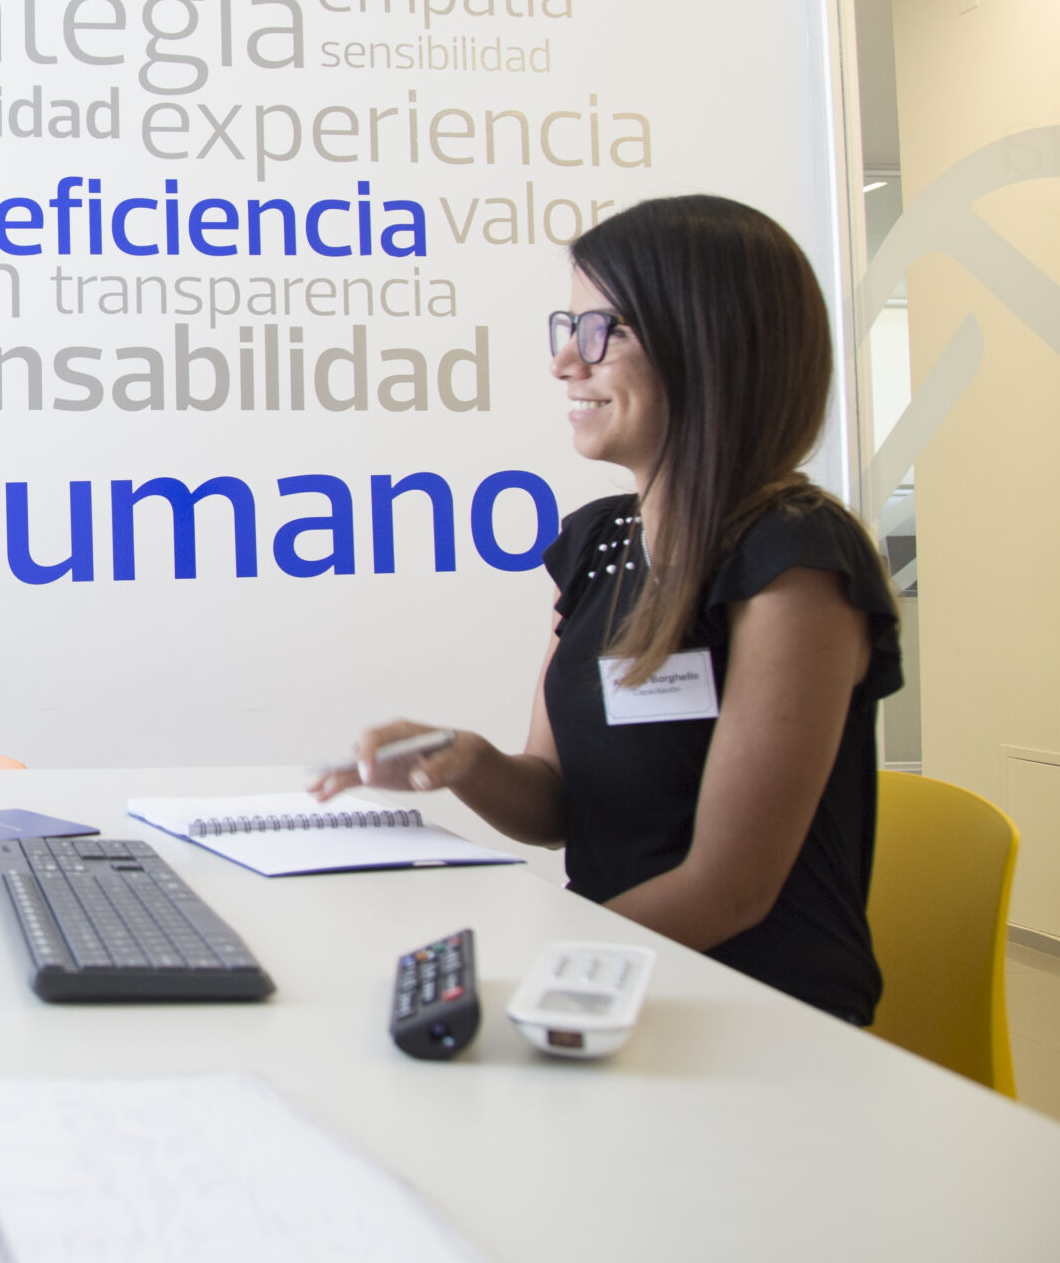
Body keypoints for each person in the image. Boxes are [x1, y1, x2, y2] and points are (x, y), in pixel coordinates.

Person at [319, 194, 900, 1023]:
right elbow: (555, 805)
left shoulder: (797, 559)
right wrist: (466, 759)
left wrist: (523, 968)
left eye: (604, 331)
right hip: (605, 979)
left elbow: (728, 888)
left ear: (710, 344)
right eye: (569, 327)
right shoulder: (598, 542)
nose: (566, 361)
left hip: (753, 1010)